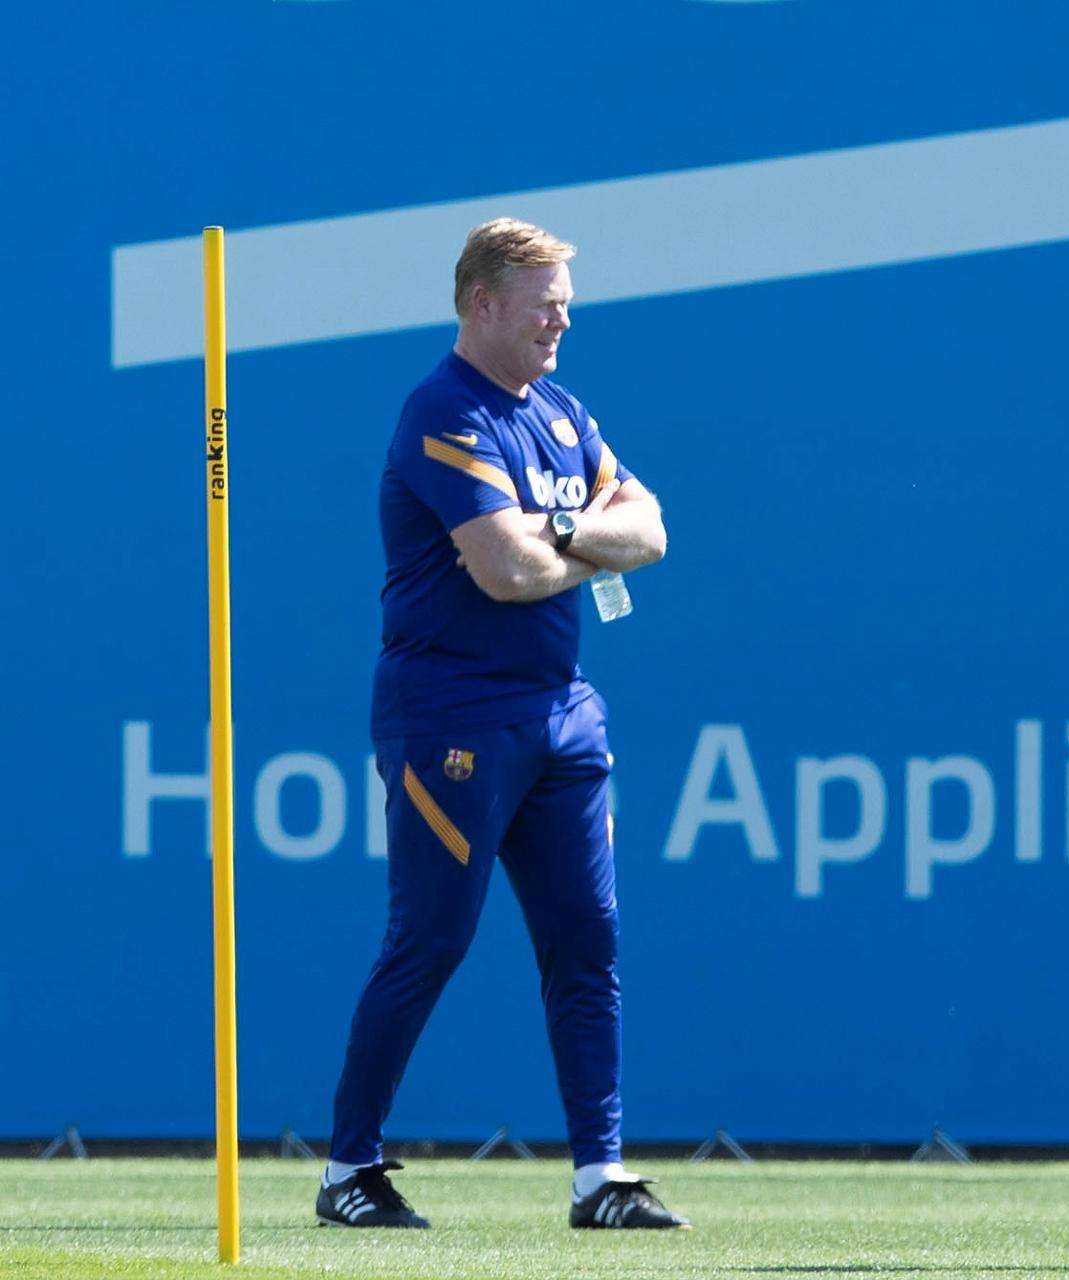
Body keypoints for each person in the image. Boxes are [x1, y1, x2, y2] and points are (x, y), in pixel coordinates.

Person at [318, 218, 685, 1228]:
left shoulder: (562, 412)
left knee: (589, 937)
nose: (563, 315)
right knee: (431, 937)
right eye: (545, 299)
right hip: (453, 713)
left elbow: (648, 528)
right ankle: (350, 1165)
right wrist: (573, 548)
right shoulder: (443, 409)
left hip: (563, 710)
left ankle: (600, 1175)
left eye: (566, 297)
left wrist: (561, 529)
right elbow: (504, 570)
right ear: (484, 303)